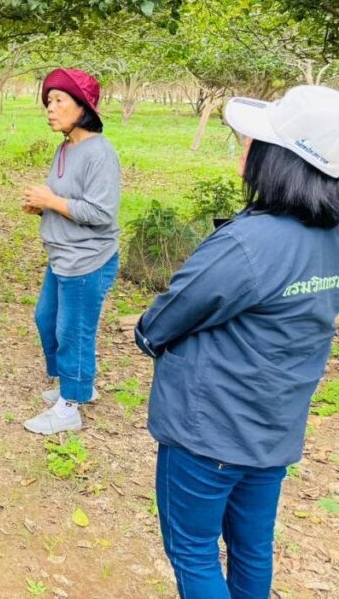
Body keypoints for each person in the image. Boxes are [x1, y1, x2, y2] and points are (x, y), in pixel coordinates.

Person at [135, 84, 339, 599]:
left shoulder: (252, 242)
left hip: (210, 432)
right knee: (252, 547)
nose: (244, 148)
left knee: (194, 549)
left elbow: (168, 316)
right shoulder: (329, 237)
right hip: (271, 430)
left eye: (256, 142)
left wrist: (146, 334)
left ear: (281, 161)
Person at [21, 69, 120, 435]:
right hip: (62, 255)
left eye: (59, 101)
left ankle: (71, 406)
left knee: (74, 331)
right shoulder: (66, 147)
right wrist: (44, 205)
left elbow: (101, 212)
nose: (50, 108)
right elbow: (65, 198)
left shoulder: (100, 153)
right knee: (46, 320)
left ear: (83, 108)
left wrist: (53, 201)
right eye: (49, 101)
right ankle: (76, 384)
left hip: (87, 260)